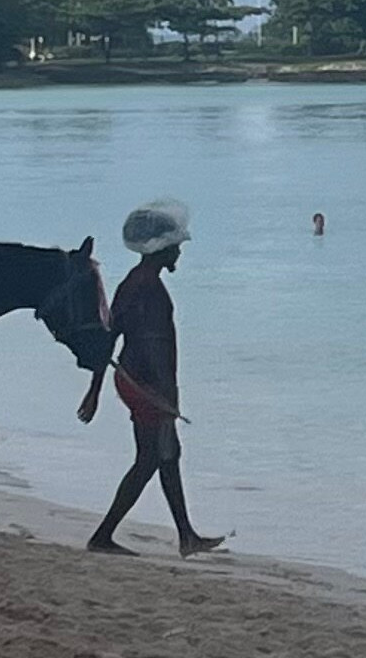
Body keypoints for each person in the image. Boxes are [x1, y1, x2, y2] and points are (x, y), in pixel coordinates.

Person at [78, 200, 225, 558]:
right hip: (148, 386)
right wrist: (169, 400)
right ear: (161, 249)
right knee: (151, 458)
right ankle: (103, 536)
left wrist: (95, 390)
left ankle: (187, 536)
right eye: (175, 246)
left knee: (167, 455)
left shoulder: (133, 283)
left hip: (133, 381)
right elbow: (156, 351)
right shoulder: (151, 291)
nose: (179, 252)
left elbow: (109, 336)